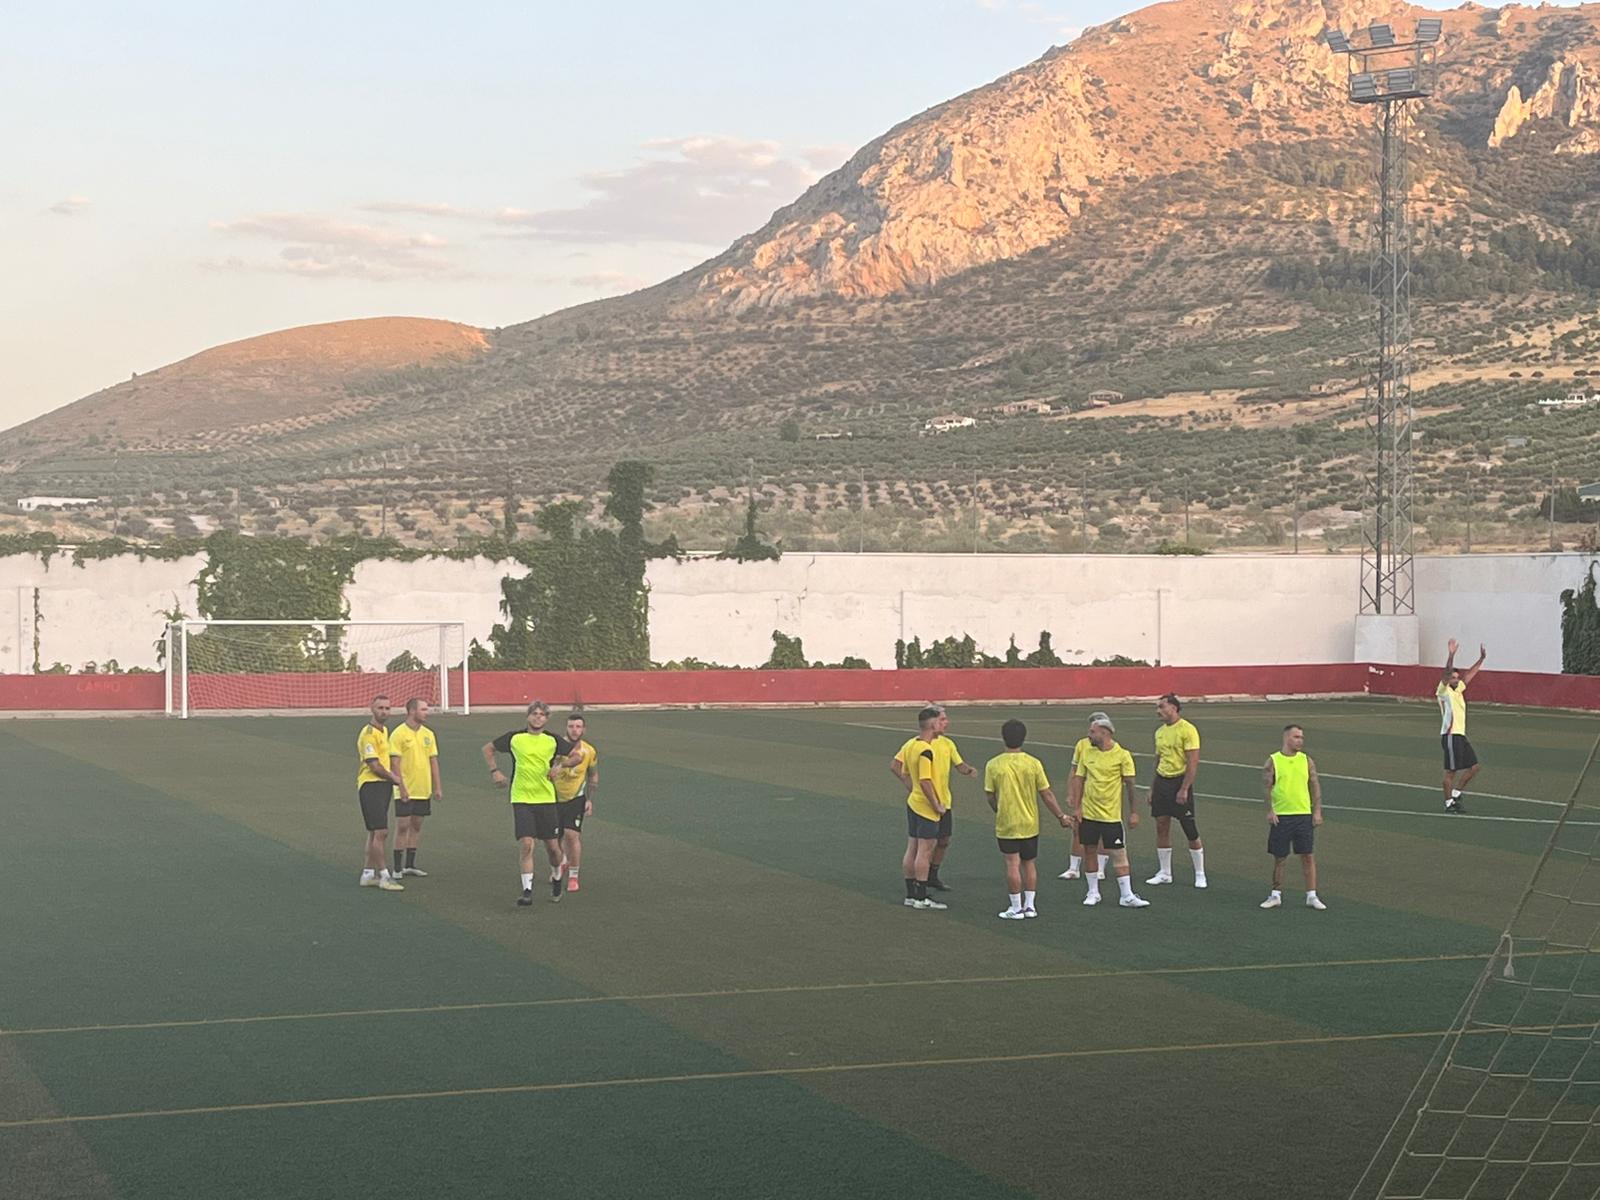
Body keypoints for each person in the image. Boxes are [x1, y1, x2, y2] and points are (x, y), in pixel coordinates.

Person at [482, 701, 586, 907]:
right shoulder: (515, 738)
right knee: (527, 844)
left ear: (546, 719)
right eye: (534, 713)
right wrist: (495, 771)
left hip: (546, 799)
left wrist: (560, 765)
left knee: (553, 849)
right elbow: (488, 748)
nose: (538, 717)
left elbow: (577, 757)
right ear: (528, 716)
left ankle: (557, 876)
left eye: (542, 715)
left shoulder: (552, 740)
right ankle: (527, 891)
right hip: (521, 798)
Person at [984, 718, 1071, 919]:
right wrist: (1060, 816)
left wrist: (998, 809)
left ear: (1003, 738)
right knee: (1029, 863)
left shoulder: (994, 765)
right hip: (1030, 822)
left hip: (1008, 822)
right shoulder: (1033, 763)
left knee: (1012, 863)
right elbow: (1046, 793)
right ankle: (1030, 906)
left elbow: (990, 795)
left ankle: (1016, 907)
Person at [892, 704, 975, 909]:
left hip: (915, 803)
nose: (945, 723)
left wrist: (914, 788)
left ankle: (911, 894)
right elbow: (925, 781)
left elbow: (906, 772)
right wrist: (936, 803)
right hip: (927, 807)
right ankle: (921, 897)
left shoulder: (913, 745)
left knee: (913, 848)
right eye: (942, 720)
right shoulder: (926, 750)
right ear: (932, 723)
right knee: (924, 851)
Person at [1068, 713, 1149, 908]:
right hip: (1089, 814)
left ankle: (1126, 895)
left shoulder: (1122, 755)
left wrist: (1134, 812)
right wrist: (1077, 807)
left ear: (1104, 733)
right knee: (1090, 851)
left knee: (1119, 854)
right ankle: (1093, 892)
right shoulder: (1087, 753)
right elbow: (1079, 779)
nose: (1089, 735)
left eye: (1092, 732)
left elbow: (1130, 786)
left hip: (1111, 816)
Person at [1261, 724, 1326, 910]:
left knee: (1308, 855)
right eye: (1296, 737)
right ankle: (1275, 895)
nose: (1300, 741)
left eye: (1301, 737)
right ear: (1286, 738)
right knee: (1280, 857)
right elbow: (1267, 787)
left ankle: (1312, 895)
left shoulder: (1307, 761)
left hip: (1303, 815)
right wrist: (1270, 810)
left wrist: (1317, 811)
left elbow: (1315, 785)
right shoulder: (1273, 761)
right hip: (1282, 816)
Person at [1146, 693, 1206, 889]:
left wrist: (1184, 788)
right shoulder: (1159, 732)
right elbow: (1158, 760)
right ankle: (1165, 873)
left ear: (1173, 707)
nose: (1158, 711)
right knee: (1161, 825)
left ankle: (1200, 873)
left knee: (1189, 828)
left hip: (1179, 781)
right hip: (1162, 782)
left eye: (1162, 706)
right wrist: (1152, 787)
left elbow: (1192, 762)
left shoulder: (1188, 730)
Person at [356, 694, 406, 892]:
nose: (384, 712)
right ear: (372, 708)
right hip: (372, 785)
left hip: (382, 785)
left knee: (374, 832)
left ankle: (368, 874)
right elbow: (374, 766)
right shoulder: (368, 734)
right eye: (380, 708)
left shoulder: (384, 731)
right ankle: (385, 876)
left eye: (387, 708)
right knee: (381, 832)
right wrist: (394, 778)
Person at [388, 697, 441, 878]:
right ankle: (397, 868)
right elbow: (395, 763)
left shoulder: (428, 734)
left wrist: (437, 787)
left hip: (422, 788)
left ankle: (409, 865)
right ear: (412, 711)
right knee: (403, 826)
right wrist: (401, 787)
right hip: (405, 789)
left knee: (416, 825)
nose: (427, 713)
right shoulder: (398, 734)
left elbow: (433, 761)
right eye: (423, 709)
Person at [1439, 639, 1487, 814]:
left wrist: (1481, 660)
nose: (1456, 680)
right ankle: (1448, 804)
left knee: (1474, 767)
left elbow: (1468, 676)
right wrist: (1451, 655)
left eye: (1456, 678)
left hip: (1460, 735)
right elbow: (1446, 674)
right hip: (1450, 735)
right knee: (1450, 773)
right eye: (1453, 678)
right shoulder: (1444, 690)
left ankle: (1456, 794)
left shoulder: (1458, 689)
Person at [1059, 718, 1108, 885]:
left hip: (1102, 797)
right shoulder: (1082, 745)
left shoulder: (1111, 749)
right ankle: (1073, 868)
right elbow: (1074, 770)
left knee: (1102, 831)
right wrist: (1071, 793)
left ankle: (1100, 869)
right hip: (1083, 794)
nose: (1090, 732)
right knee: (1077, 828)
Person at [555, 713, 598, 893]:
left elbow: (593, 776)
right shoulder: (555, 747)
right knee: (554, 839)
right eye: (571, 726)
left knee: (572, 835)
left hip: (576, 798)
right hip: (554, 797)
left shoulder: (589, 751)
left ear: (583, 730)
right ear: (566, 728)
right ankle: (562, 861)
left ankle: (573, 876)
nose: (574, 730)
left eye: (578, 727)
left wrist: (590, 800)